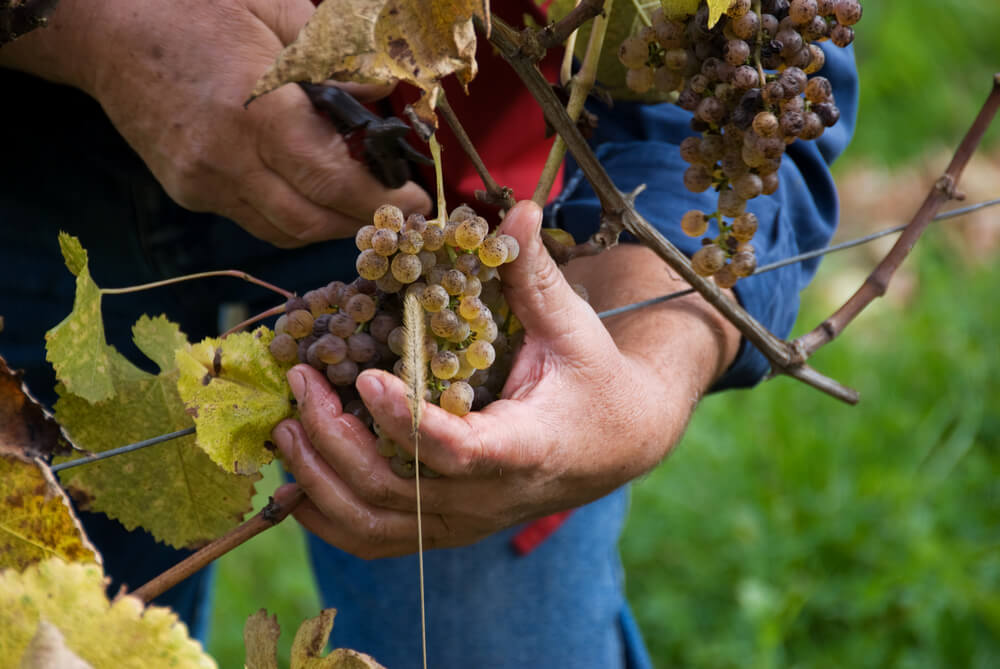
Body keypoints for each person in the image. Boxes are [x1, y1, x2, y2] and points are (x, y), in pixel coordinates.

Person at [0, 0, 857, 666]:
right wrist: (87, 27)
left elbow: (749, 73)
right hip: (26, 177)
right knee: (49, 621)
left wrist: (645, 374)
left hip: (466, 210)